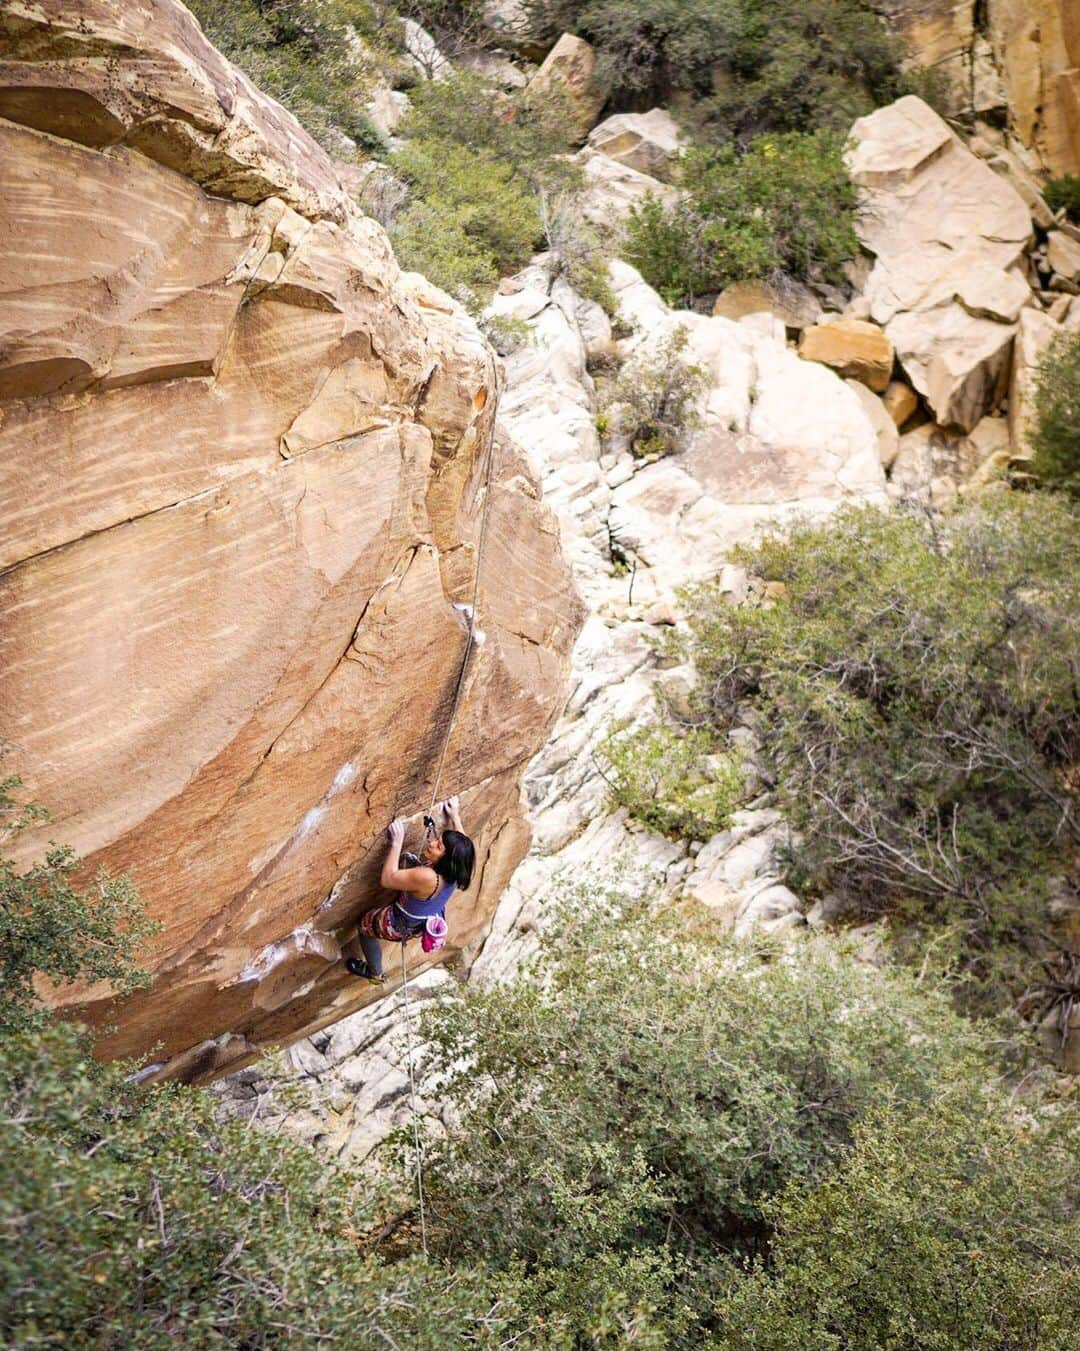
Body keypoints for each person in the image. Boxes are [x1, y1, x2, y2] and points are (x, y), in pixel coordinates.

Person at [346, 796, 474, 984]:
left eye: (438, 847)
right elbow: (463, 842)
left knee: (365, 925)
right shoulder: (460, 867)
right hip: (424, 916)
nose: (432, 843)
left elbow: (388, 879)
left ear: (447, 860)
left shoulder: (428, 877)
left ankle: (375, 973)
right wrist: (455, 816)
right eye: (437, 840)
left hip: (399, 924)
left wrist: (396, 842)